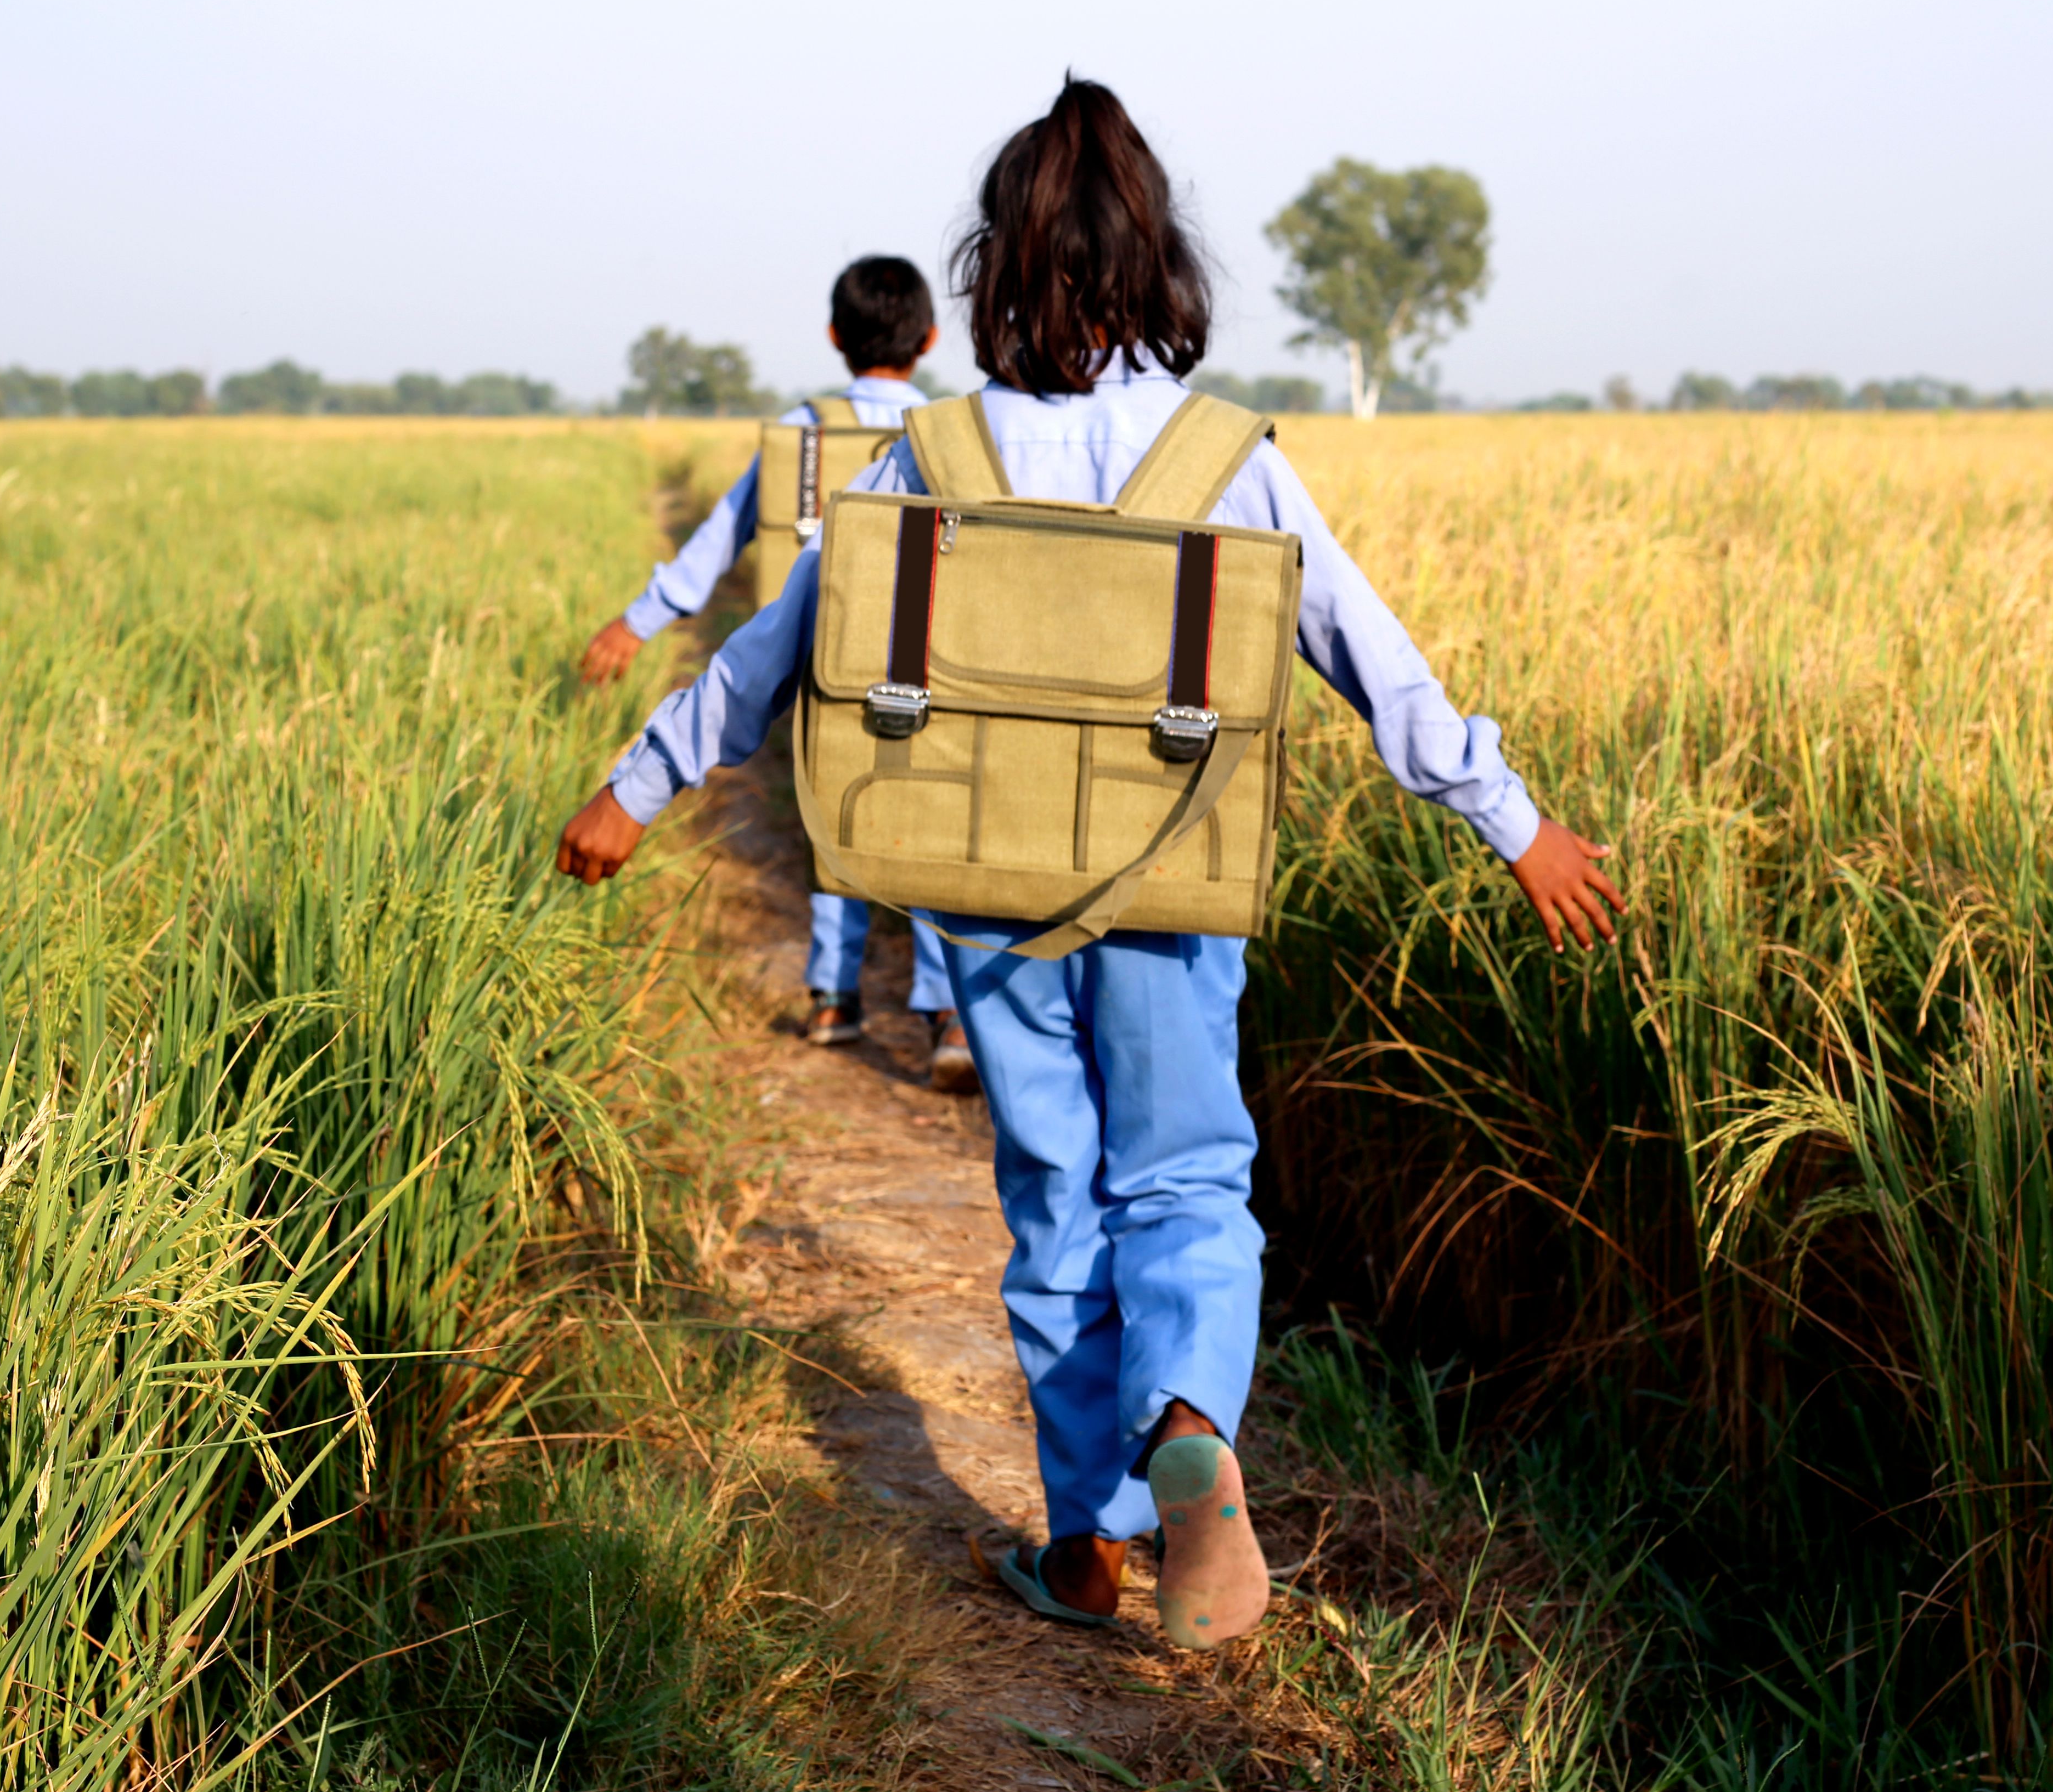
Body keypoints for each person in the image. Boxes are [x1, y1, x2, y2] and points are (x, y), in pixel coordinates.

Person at [556, 80, 1621, 1650]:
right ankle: (1191, 1440)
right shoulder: (1222, 457)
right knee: (1183, 1177)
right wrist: (1513, 822)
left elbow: (779, 649)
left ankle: (1084, 1539)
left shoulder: (933, 452)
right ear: (1161, 270)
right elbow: (1365, 654)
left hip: (982, 895)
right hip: (1172, 890)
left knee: (1055, 1196)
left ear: (996, 271)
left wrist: (635, 791)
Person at [578, 255, 973, 1093]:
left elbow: (718, 543)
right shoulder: (955, 439)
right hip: (932, 669)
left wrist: (637, 623)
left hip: (823, 660)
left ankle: (834, 997)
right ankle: (943, 1013)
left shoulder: (799, 433)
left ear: (835, 338)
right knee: (934, 822)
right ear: (931, 339)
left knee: (836, 814)